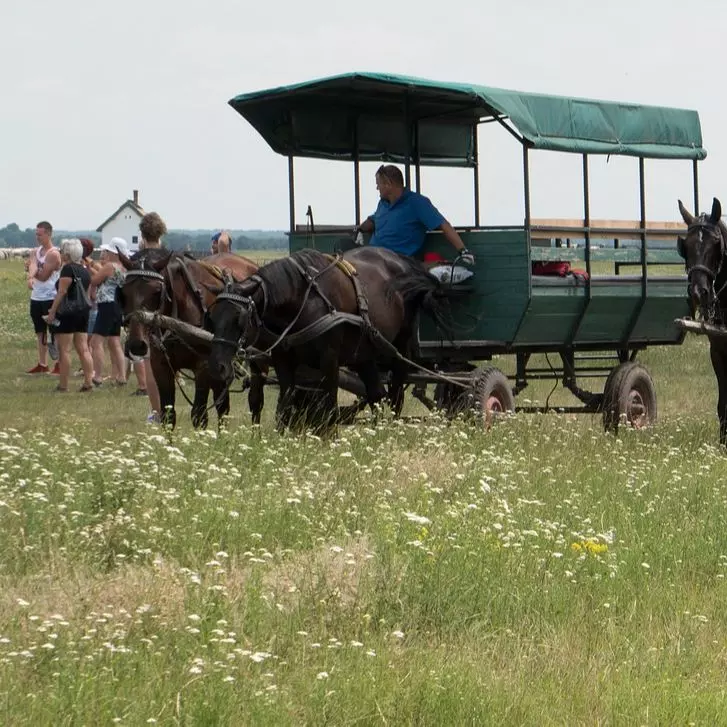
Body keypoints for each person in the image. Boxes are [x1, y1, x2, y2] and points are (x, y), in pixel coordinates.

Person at [355, 165, 475, 264]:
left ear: (388, 184)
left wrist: (463, 250)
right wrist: (360, 229)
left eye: (378, 184)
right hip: (372, 257)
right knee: (343, 250)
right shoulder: (383, 204)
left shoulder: (417, 203)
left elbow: (443, 225)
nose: (377, 188)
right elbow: (373, 220)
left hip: (395, 263)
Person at [45, 239, 94, 392]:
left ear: (67, 254)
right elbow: (87, 294)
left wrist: (52, 311)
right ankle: (88, 382)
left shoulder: (67, 270)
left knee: (64, 349)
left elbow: (62, 292)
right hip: (83, 312)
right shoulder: (85, 270)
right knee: (83, 348)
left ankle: (63, 385)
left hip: (67, 312)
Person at [134, 212, 167, 421]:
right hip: (172, 319)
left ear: (142, 235)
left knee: (150, 366)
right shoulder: (171, 258)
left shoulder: (136, 262)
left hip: (147, 320)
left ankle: (157, 412)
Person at [88, 237, 128, 386]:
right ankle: (121, 376)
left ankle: (97, 375)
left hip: (106, 305)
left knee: (96, 341)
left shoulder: (110, 266)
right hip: (117, 306)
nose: (106, 254)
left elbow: (94, 281)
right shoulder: (124, 268)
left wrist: (91, 269)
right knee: (115, 341)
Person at [26, 221, 62, 374]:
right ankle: (42, 363)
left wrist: (32, 271)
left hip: (50, 297)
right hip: (37, 297)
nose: (37, 237)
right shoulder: (36, 251)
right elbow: (33, 272)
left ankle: (60, 363)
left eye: (40, 234)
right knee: (40, 331)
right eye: (36, 234)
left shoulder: (53, 253)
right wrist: (31, 273)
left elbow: (44, 276)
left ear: (48, 234)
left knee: (55, 332)